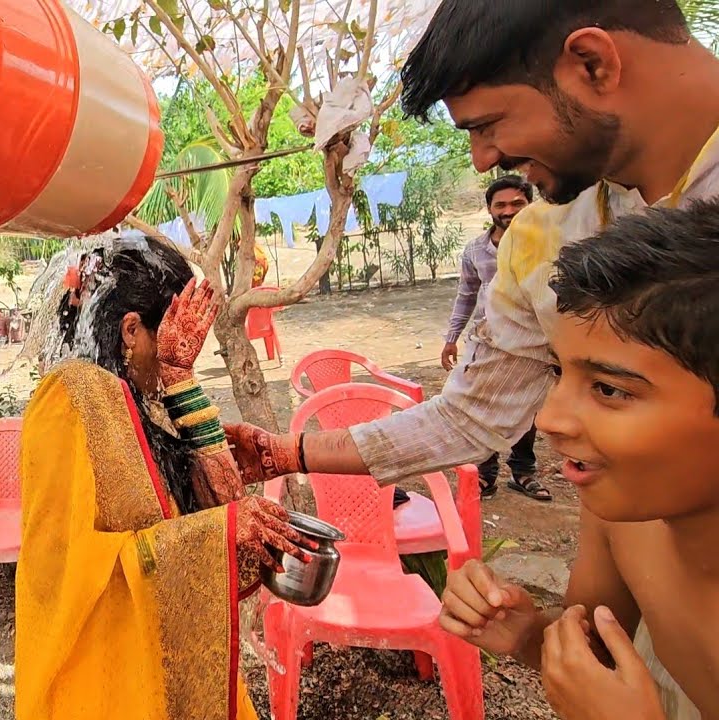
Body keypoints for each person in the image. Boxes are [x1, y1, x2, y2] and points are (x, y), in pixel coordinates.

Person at [224, 0, 719, 505]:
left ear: (592, 63)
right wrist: (288, 453)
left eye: (488, 126)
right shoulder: (543, 234)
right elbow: (473, 413)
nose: (483, 161)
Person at [438, 201, 719, 719]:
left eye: (609, 388)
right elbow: (590, 646)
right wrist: (527, 636)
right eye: (557, 372)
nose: (548, 420)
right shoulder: (623, 520)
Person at [16, 238, 305, 720]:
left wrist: (179, 377)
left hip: (162, 652)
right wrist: (215, 533)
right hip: (105, 679)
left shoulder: (135, 398)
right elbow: (68, 572)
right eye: (168, 338)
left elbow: (222, 509)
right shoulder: (68, 400)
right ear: (131, 329)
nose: (180, 351)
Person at [440, 175, 546, 501]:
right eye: (501, 204)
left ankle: (523, 472)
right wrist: (451, 338)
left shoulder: (546, 244)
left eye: (517, 203)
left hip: (533, 343)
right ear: (489, 209)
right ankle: (486, 475)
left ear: (530, 205)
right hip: (488, 342)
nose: (509, 210)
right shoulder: (476, 251)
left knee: (527, 411)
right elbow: (466, 296)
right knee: (482, 408)